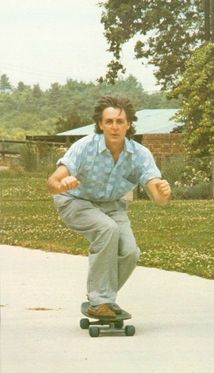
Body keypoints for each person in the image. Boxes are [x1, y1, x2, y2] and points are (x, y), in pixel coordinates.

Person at [47, 95, 171, 318]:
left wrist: (162, 193)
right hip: (75, 201)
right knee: (107, 229)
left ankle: (102, 299)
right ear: (100, 124)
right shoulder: (84, 147)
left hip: (112, 206)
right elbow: (52, 182)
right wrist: (62, 183)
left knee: (131, 252)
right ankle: (100, 301)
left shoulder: (140, 155)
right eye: (109, 121)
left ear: (129, 124)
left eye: (120, 121)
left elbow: (158, 198)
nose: (115, 127)